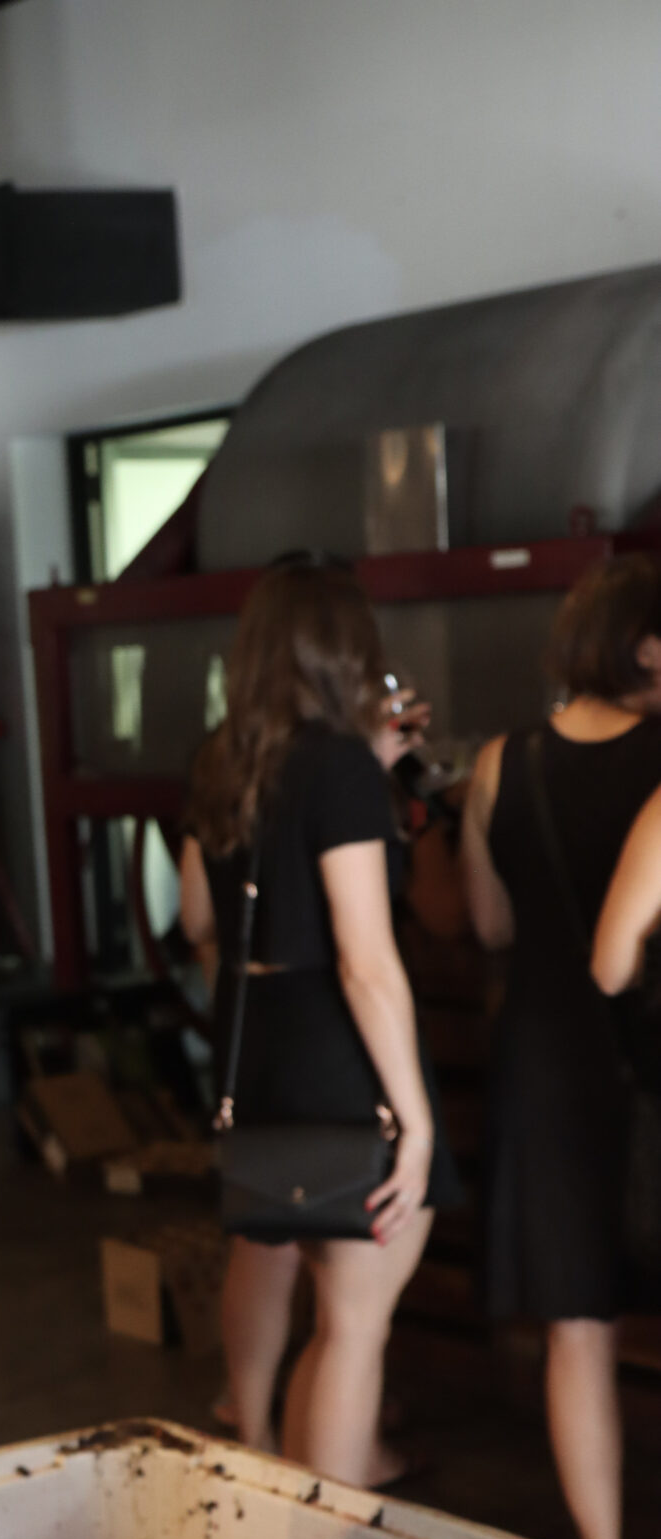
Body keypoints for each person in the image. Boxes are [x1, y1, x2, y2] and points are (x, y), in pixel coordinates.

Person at [178, 560, 457, 1488]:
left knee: (302, 1284)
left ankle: (289, 1503)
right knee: (353, 1324)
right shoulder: (335, 764)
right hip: (340, 1051)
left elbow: (196, 919)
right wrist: (414, 1124)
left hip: (254, 1043)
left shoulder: (222, 758)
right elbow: (365, 961)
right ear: (346, 653)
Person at [458, 557, 661, 1539]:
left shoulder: (503, 762)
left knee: (577, 1326)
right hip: (650, 1071)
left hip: (546, 1060)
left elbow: (489, 920)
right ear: (649, 648)